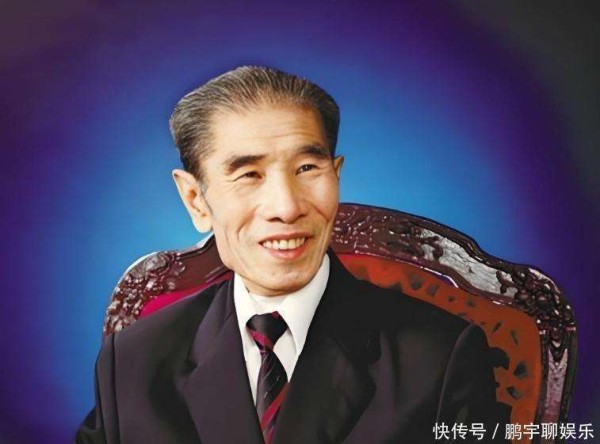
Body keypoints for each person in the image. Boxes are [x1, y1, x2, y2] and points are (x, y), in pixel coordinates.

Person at [76, 66, 509, 443]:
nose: (286, 207)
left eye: (307, 168)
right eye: (249, 174)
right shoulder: (133, 361)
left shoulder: (438, 355)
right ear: (196, 200)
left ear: (336, 175)